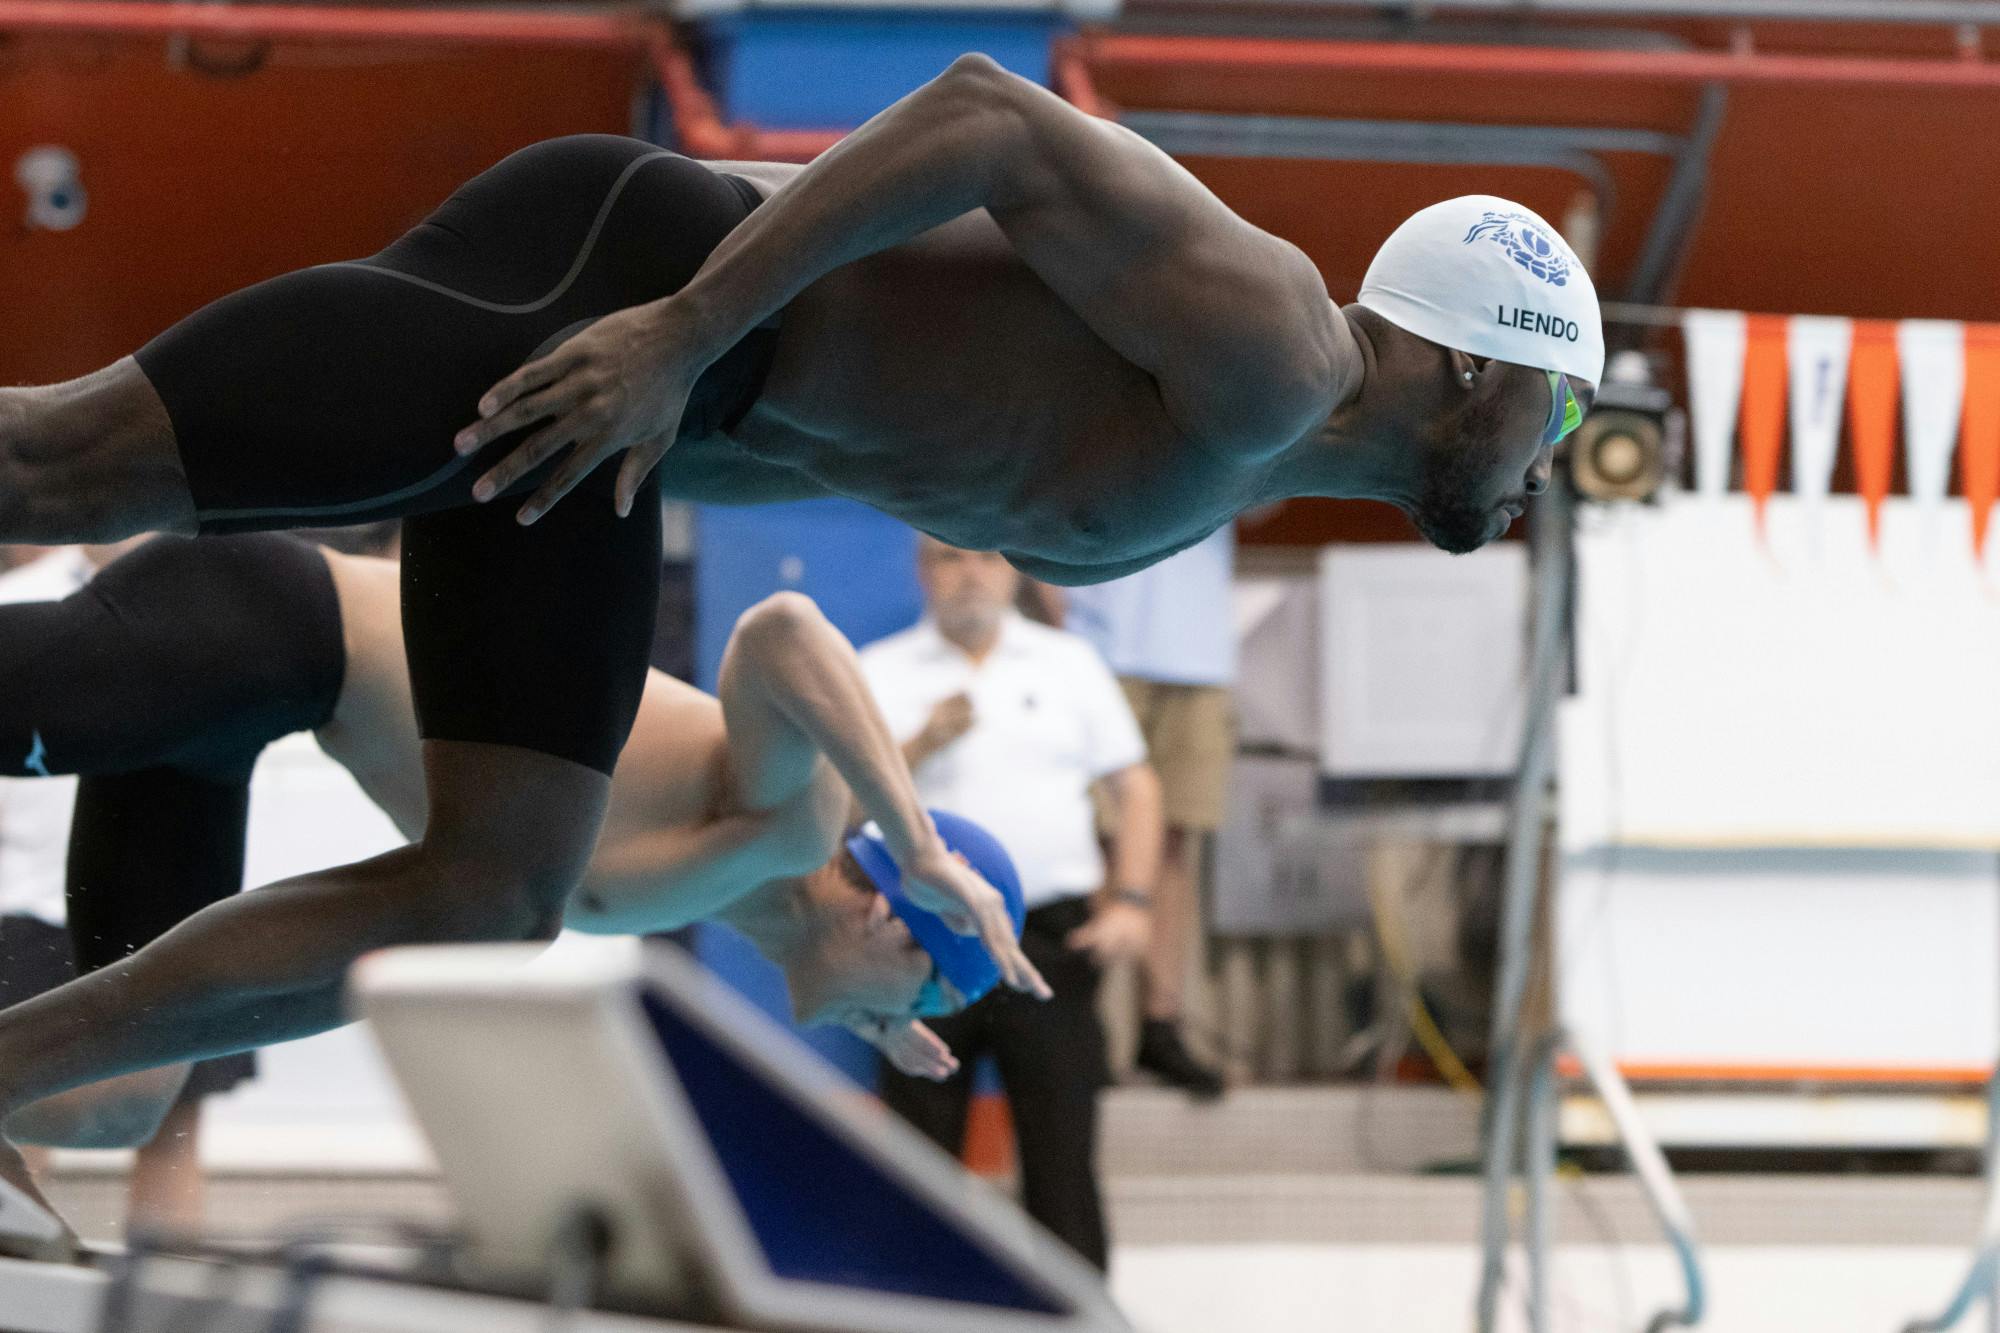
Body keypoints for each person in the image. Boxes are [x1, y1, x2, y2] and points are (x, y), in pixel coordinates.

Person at [0, 54, 1598, 1192]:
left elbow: (885, 422)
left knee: (495, 892)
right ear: (1479, 363)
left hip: (615, 445)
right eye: (1564, 409)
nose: (1555, 462)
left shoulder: (1237, 467)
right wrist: (681, 337)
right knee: (58, 464)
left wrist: (675, 408)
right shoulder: (1274, 345)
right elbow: (984, 111)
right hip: (611, 294)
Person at [0, 534, 1016, 1183]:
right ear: (894, 914)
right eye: (926, 1007)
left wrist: (880, 1011)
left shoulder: (741, 884)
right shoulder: (792, 821)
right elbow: (783, 628)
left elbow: (869, 968)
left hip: (240, 721)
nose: (915, 1038)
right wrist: (917, 840)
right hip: (270, 623)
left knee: (125, 1102)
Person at [860, 537, 1165, 1271]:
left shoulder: (1068, 664)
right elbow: (838, 803)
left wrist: (1131, 900)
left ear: (1013, 571)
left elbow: (1138, 788)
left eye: (985, 559)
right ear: (922, 571)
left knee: (1063, 1160)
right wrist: (921, 741)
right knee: (915, 1168)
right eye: (948, 557)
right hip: (920, 941)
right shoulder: (875, 672)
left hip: (1051, 938)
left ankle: (1080, 1322)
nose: (969, 575)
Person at [0, 542, 252, 1231]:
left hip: (183, 916)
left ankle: (159, 1306)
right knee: (28, 1130)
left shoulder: (213, 601)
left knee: (175, 1132)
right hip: (33, 920)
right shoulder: (29, 602)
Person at [1062, 527, 1238, 1099]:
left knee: (1173, 847)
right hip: (1099, 646)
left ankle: (1159, 1023)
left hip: (1197, 649)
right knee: (1098, 843)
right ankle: (1084, 1022)